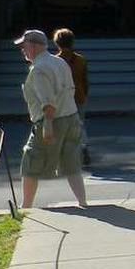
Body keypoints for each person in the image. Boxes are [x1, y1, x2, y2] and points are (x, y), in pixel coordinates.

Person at [13, 29, 87, 209]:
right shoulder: (59, 61)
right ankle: (83, 202)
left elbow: (48, 103)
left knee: (31, 160)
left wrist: (47, 126)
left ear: (34, 46)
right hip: (72, 117)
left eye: (24, 46)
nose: (22, 49)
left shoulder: (39, 69)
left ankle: (26, 207)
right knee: (71, 162)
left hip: (52, 120)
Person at [53, 28, 92, 168]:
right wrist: (84, 94)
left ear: (57, 43)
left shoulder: (54, 61)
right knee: (79, 124)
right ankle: (83, 147)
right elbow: (85, 80)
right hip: (78, 96)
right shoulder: (81, 60)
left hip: (60, 98)